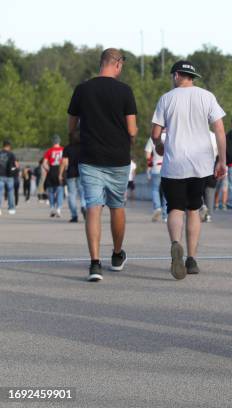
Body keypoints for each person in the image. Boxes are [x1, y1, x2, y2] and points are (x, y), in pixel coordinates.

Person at [151, 60, 227, 279]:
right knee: (193, 209)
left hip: (174, 164)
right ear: (192, 77)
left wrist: (159, 146)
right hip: (200, 165)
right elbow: (220, 130)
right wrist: (222, 160)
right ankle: (191, 259)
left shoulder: (166, 98)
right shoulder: (207, 96)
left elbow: (156, 134)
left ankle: (176, 244)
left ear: (176, 75)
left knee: (175, 208)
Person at [67, 48, 138, 282]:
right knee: (117, 206)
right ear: (117, 64)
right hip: (118, 158)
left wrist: (79, 139)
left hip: (90, 157)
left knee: (93, 207)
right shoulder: (125, 91)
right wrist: (132, 138)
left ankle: (95, 264)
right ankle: (117, 256)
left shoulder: (82, 89)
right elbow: (132, 130)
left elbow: (71, 126)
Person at [60, 130, 87, 222]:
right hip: (82, 172)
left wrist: (60, 174)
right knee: (83, 192)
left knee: (72, 194)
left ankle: (74, 216)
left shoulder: (67, 148)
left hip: (71, 173)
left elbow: (64, 162)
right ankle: (84, 206)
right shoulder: (84, 147)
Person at [145, 131, 167, 222]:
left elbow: (147, 154)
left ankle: (157, 207)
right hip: (167, 167)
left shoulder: (153, 138)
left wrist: (149, 166)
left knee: (155, 189)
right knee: (167, 191)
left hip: (156, 167)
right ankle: (166, 215)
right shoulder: (171, 135)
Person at [42, 135, 64, 218]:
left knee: (50, 191)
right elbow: (66, 162)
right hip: (60, 170)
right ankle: (58, 209)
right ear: (59, 141)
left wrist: (48, 169)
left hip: (52, 170)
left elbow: (44, 163)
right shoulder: (63, 150)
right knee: (60, 191)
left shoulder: (49, 151)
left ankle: (52, 208)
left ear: (52, 142)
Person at [0, 140, 18, 215]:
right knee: (10, 192)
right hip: (9, 176)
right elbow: (16, 165)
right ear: (9, 146)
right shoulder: (11, 154)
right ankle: (11, 209)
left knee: (0, 192)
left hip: (0, 175)